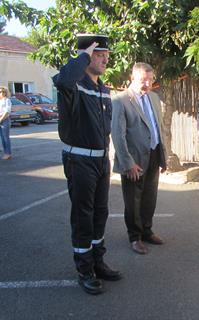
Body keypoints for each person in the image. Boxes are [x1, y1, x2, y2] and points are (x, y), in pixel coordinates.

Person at [52, 34, 121, 295]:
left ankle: (97, 261)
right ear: (86, 55)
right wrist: (83, 55)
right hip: (79, 159)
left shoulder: (102, 88)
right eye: (98, 54)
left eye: (106, 55)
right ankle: (84, 269)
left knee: (100, 213)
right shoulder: (73, 83)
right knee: (83, 216)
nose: (105, 59)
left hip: (101, 160)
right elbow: (63, 79)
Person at [111, 62, 167, 255]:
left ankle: (147, 230)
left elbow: (159, 128)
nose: (147, 84)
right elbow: (118, 135)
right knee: (133, 201)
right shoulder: (120, 100)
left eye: (150, 80)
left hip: (153, 154)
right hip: (133, 160)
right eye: (143, 80)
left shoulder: (154, 97)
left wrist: (162, 156)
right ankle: (135, 237)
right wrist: (127, 163)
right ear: (132, 78)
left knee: (150, 197)